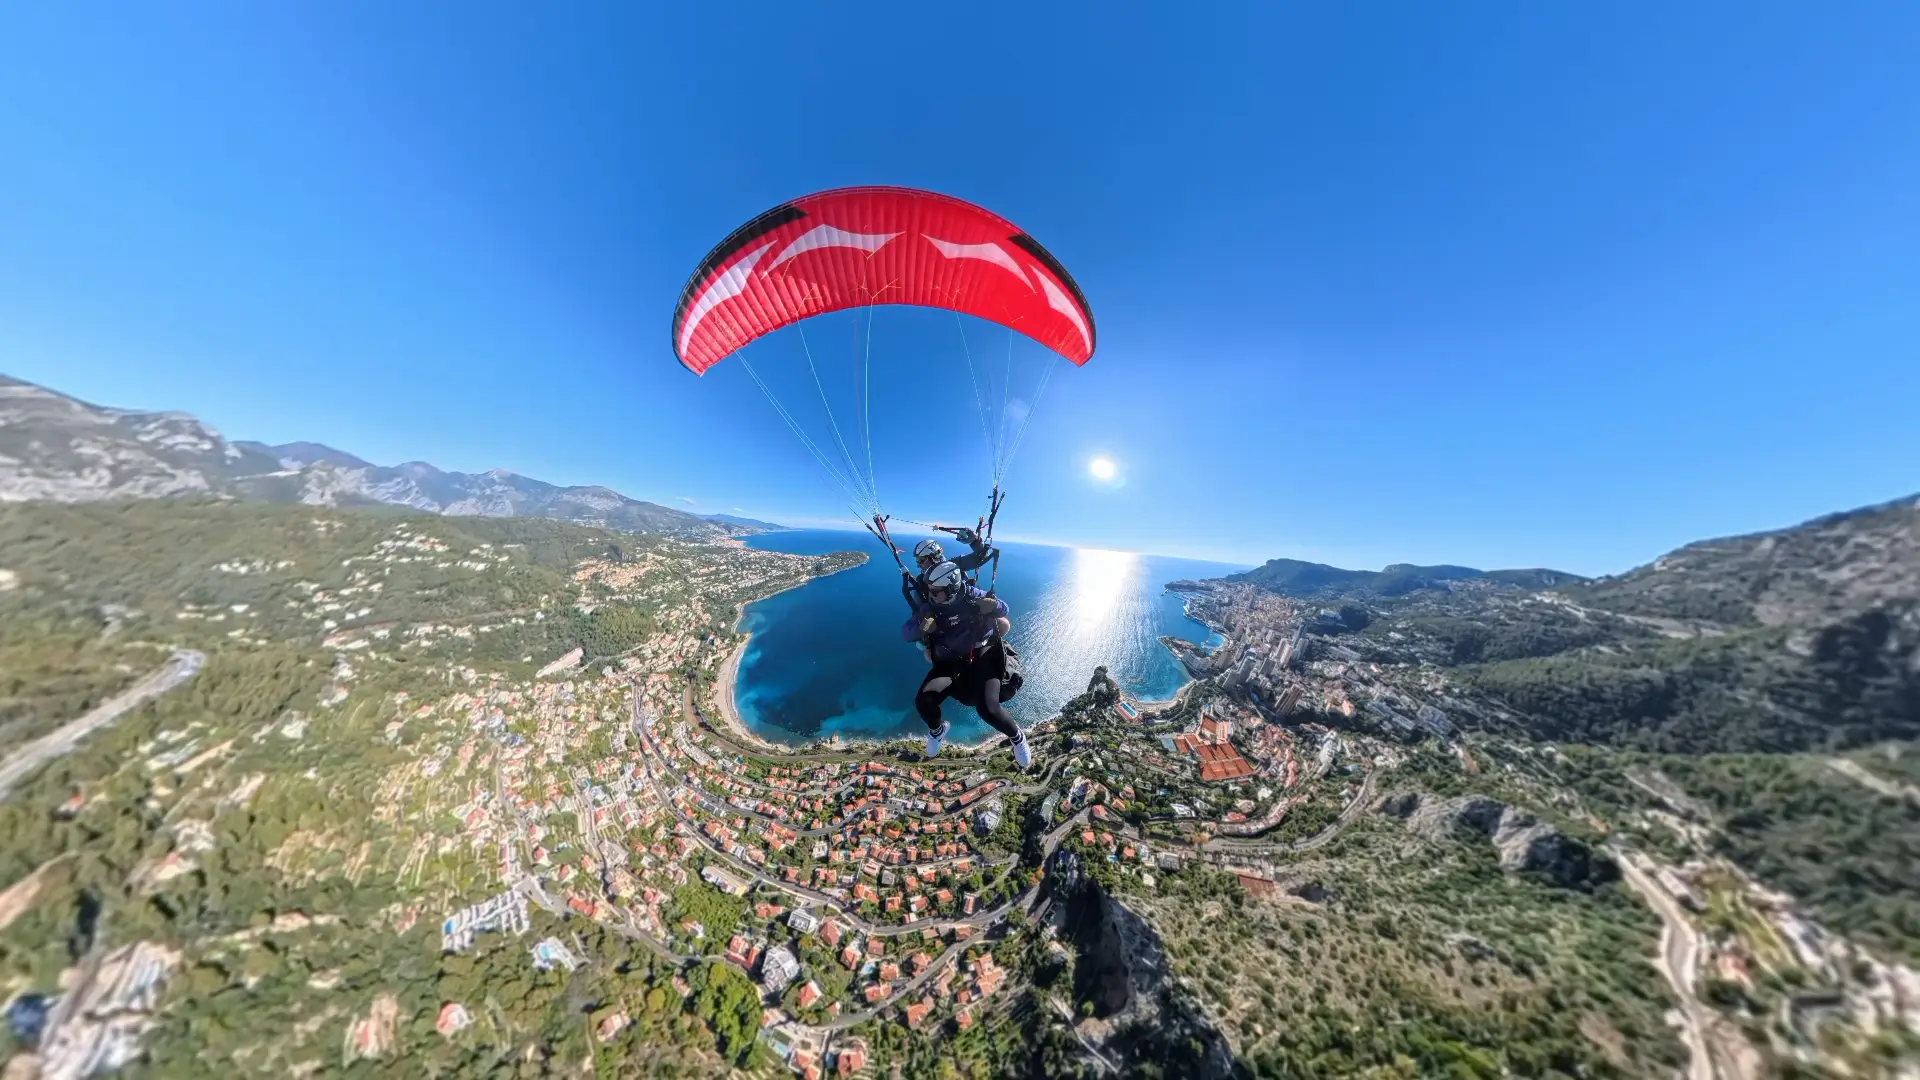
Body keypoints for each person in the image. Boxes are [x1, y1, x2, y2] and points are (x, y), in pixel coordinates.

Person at [902, 561, 1031, 768]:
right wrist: (922, 628)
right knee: (924, 701)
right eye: (931, 592)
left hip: (985, 654)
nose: (932, 596)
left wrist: (994, 606)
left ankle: (1017, 738)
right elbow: (906, 632)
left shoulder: (972, 596)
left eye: (936, 592)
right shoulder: (931, 608)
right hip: (952, 660)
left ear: (952, 588)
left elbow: (1004, 607)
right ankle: (938, 729)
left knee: (988, 708)